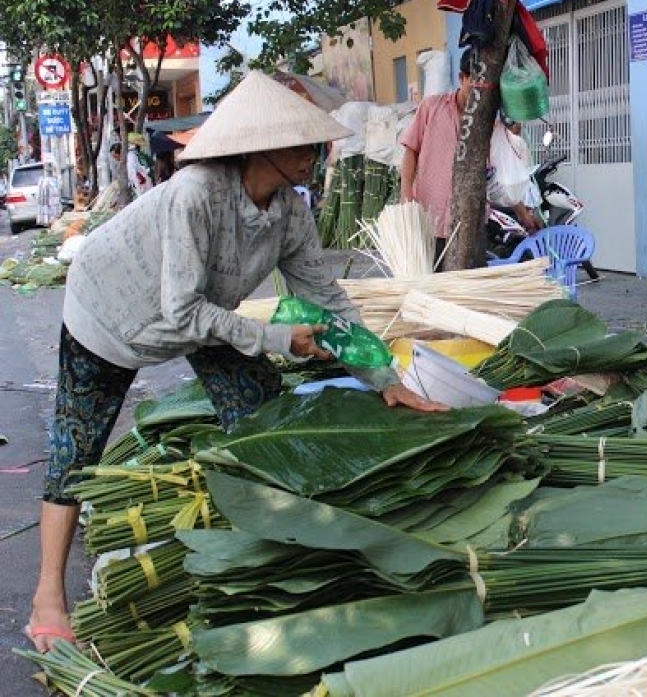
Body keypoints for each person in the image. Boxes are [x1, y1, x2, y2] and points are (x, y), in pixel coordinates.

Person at [25, 71, 446, 654]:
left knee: (260, 413)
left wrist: (385, 377)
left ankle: (266, 541)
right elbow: (179, 311)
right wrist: (275, 337)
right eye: (302, 144)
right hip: (110, 309)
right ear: (263, 147)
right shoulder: (195, 194)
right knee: (77, 450)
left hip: (206, 312)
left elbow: (328, 299)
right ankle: (48, 595)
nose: (314, 155)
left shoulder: (292, 212)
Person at [398, 52, 478, 261]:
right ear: (462, 78)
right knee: (430, 280)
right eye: (473, 84)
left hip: (468, 222)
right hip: (431, 217)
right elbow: (410, 150)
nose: (478, 94)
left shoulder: (484, 120)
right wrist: (406, 192)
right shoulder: (430, 107)